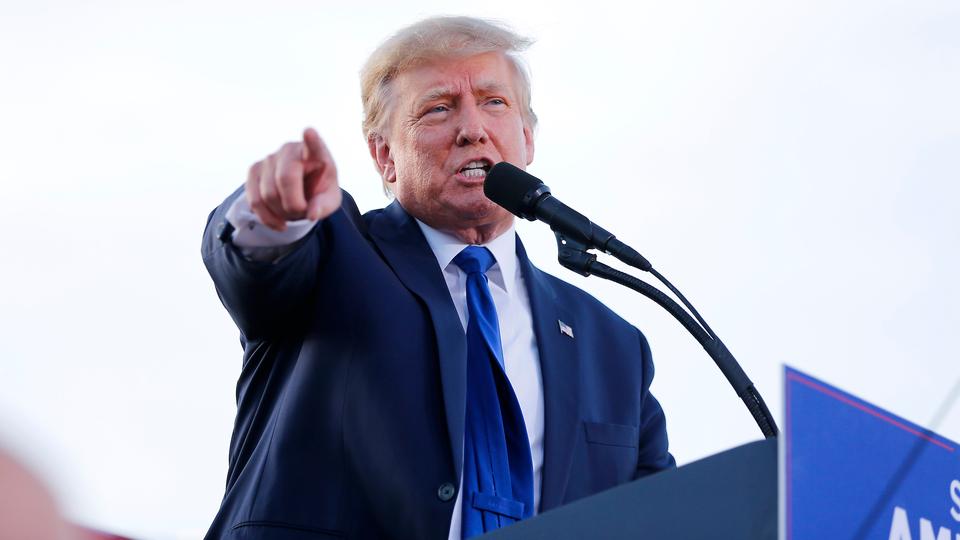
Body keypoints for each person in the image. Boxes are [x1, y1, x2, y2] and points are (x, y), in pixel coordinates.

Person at [201, 16, 675, 540]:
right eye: (438, 108)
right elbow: (257, 268)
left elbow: (660, 517)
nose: (472, 128)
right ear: (385, 156)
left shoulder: (614, 346)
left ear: (527, 138)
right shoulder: (334, 253)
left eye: (495, 102)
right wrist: (274, 216)